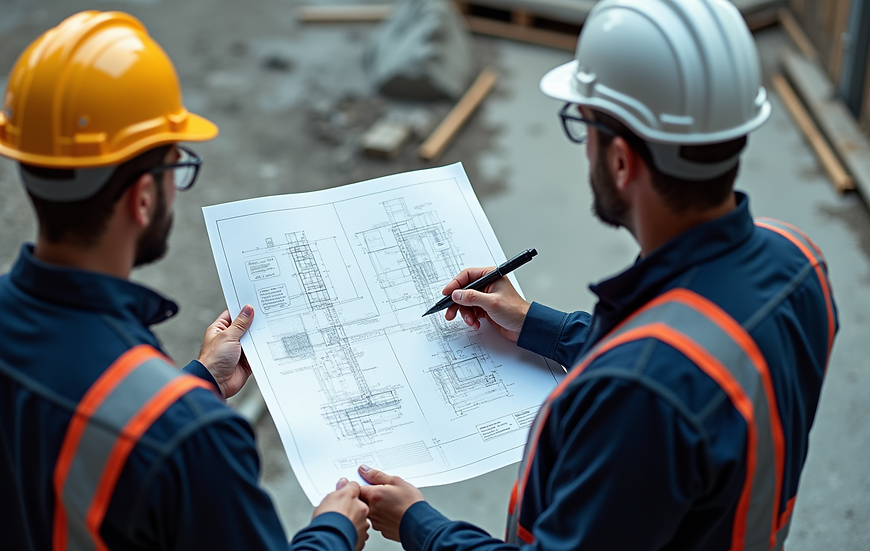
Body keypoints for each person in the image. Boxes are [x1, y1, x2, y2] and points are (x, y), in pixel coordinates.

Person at [357, 1, 838, 550]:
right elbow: (697, 354)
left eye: (582, 126)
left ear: (621, 161)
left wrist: (419, 523)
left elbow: (659, 380)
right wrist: (538, 325)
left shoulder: (638, 396)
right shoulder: (801, 260)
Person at [0, 11, 368, 551]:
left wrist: (197, 381)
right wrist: (334, 530)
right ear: (143, 197)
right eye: (177, 166)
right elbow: (135, 435)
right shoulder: (196, 439)